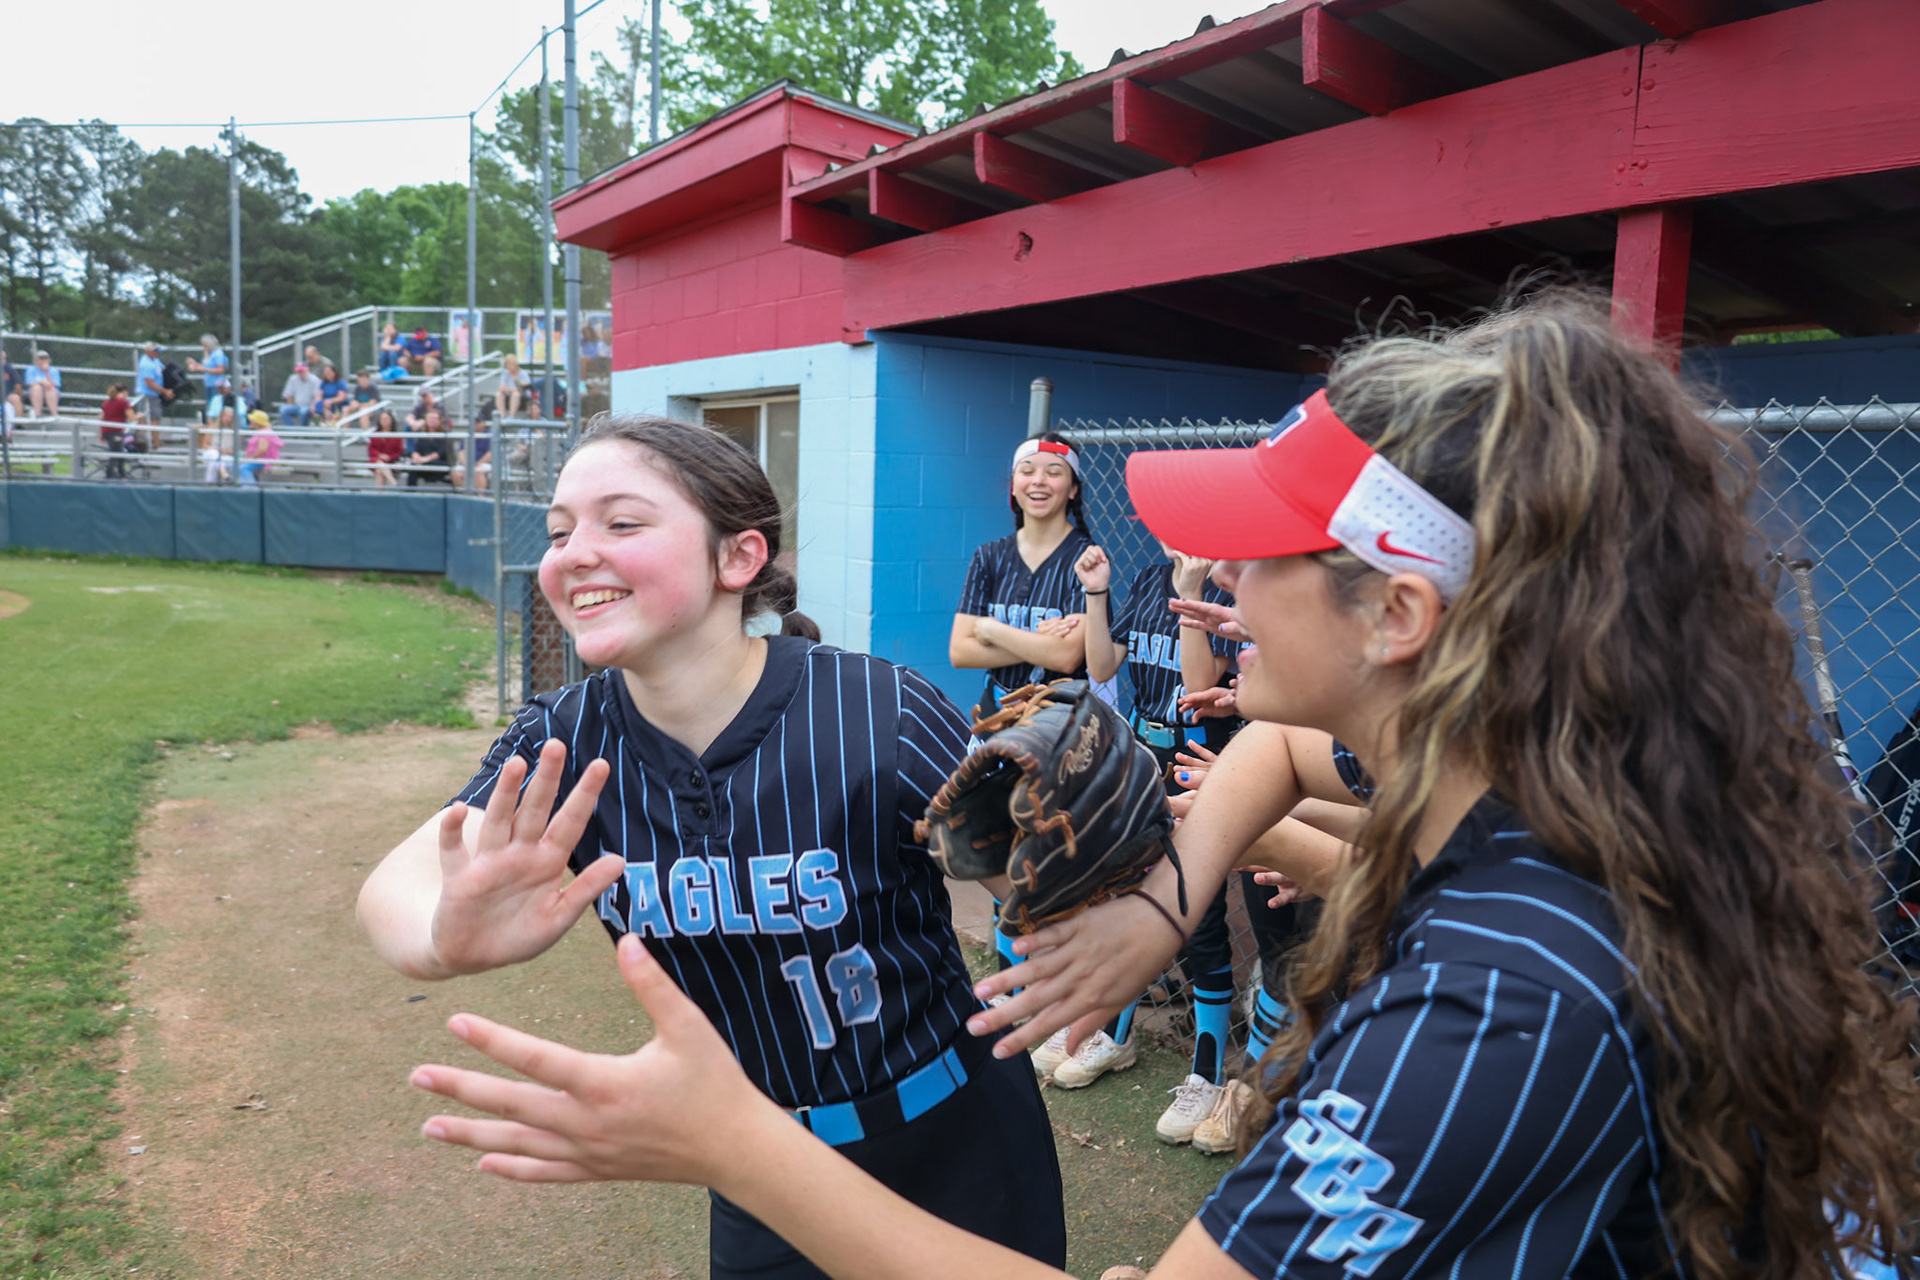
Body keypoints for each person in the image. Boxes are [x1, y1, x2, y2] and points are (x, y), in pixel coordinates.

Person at [409, 294, 1920, 1279]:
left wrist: (724, 1141)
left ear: (1400, 621)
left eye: (1258, 556)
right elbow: (1274, 755)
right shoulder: (1542, 781)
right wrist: (1165, 900)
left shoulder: (1507, 987)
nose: (1209, 586)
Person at [363, 413, 1067, 1280]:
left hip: (953, 1137)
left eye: (621, 522)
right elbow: (389, 889)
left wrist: (1078, 891)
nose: (574, 552)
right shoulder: (562, 740)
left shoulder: (875, 708)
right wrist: (441, 935)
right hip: (754, 1163)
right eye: (558, 531)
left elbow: (1038, 881)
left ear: (737, 558)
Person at [951, 432, 1094, 967]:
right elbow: (960, 651)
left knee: (1045, 856)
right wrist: (1025, 638)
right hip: (994, 719)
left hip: (1055, 723)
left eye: (1054, 472)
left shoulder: (1087, 559)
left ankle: (1056, 975)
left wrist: (991, 628)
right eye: (1027, 471)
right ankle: (1014, 976)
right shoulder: (990, 557)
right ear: (1012, 486)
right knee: (996, 850)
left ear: (1074, 488)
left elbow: (1066, 659)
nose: (1039, 481)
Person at [403, 408, 454, 486]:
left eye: (435, 418)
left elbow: (441, 453)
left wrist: (425, 459)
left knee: (426, 464)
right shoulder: (421, 433)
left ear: (440, 420)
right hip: (423, 463)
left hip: (439, 462)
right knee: (412, 469)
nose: (432, 421)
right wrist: (416, 456)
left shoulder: (445, 435)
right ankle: (410, 495)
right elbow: (417, 448)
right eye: (430, 418)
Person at [186, 333, 230, 422]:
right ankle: (211, 424)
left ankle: (215, 424)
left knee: (215, 407)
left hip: (217, 385)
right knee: (210, 406)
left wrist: (202, 369)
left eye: (204, 345)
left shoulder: (218, 354)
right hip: (210, 384)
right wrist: (195, 364)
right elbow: (206, 368)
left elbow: (220, 370)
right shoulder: (210, 354)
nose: (203, 347)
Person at [99, 383, 134, 479]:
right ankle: (112, 475)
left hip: (107, 431)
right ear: (124, 392)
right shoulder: (123, 402)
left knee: (117, 453)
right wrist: (138, 417)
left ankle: (120, 474)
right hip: (116, 431)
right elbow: (131, 417)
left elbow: (102, 417)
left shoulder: (106, 403)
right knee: (116, 454)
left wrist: (101, 433)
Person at [239, 410, 281, 484]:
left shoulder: (265, 433)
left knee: (243, 468)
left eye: (252, 420)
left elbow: (262, 450)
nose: (250, 421)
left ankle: (250, 487)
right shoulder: (262, 431)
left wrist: (250, 458)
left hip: (263, 461)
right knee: (235, 463)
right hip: (259, 459)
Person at [133, 340, 169, 429]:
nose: (158, 353)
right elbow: (149, 383)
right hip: (148, 394)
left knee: (156, 417)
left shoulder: (155, 360)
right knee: (148, 418)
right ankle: (150, 440)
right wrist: (165, 391)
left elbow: (162, 369)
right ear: (148, 352)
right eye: (155, 351)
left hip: (155, 394)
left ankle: (152, 439)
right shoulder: (146, 364)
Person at [367, 407, 405, 488]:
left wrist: (389, 457)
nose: (384, 421)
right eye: (382, 419)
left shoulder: (396, 435)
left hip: (390, 460)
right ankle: (393, 482)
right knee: (380, 464)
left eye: (386, 418)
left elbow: (399, 451)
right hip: (376, 459)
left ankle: (380, 495)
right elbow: (371, 448)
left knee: (379, 471)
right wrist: (379, 455)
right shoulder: (375, 434)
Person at [23, 350, 62, 417]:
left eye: (45, 359)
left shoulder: (54, 371)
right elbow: (30, 383)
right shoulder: (30, 370)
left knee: (51, 389)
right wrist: (42, 383)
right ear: (36, 361)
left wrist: (47, 372)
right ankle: (38, 414)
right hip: (35, 393)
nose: (43, 361)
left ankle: (55, 415)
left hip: (50, 393)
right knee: (37, 389)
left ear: (49, 360)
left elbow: (55, 385)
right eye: (41, 359)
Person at [496, 354, 529, 418]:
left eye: (511, 364)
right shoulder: (506, 374)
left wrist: (508, 389)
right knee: (499, 394)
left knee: (515, 394)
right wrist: (514, 389)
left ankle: (511, 415)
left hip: (522, 398)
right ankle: (502, 415)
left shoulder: (523, 374)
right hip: (508, 396)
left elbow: (523, 388)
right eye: (507, 365)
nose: (509, 367)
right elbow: (502, 388)